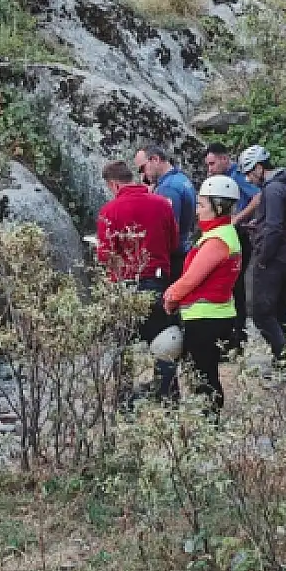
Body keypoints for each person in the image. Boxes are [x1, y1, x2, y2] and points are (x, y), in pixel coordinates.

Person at [96, 159, 182, 401]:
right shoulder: (162, 204)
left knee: (122, 344)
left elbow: (105, 254)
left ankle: (124, 398)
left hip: (124, 284)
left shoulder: (109, 211)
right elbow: (174, 244)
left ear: (113, 185)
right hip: (156, 281)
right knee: (165, 341)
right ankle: (167, 395)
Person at [162, 176, 245, 407]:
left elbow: (191, 279)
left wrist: (170, 297)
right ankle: (208, 420)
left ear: (218, 206)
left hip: (206, 318)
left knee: (204, 377)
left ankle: (208, 424)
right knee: (205, 374)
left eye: (201, 205)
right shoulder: (222, 233)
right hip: (214, 314)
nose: (197, 211)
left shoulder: (218, 239)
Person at [240, 145, 286, 365]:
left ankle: (285, 362)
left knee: (262, 315)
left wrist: (264, 257)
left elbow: (275, 227)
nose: (247, 179)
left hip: (275, 258)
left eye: (248, 172)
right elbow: (284, 221)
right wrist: (258, 224)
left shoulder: (272, 190)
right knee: (279, 312)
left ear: (258, 167)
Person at [204, 143, 259, 345]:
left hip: (240, 234)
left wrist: (238, 218)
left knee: (235, 286)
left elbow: (258, 197)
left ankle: (238, 334)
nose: (209, 169)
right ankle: (231, 333)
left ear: (224, 159)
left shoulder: (238, 176)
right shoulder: (220, 179)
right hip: (228, 234)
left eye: (212, 164)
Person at [136, 145, 197, 257]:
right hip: (185, 247)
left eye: (142, 168)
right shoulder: (181, 178)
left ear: (155, 159)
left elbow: (166, 229)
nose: (143, 175)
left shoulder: (167, 189)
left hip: (174, 256)